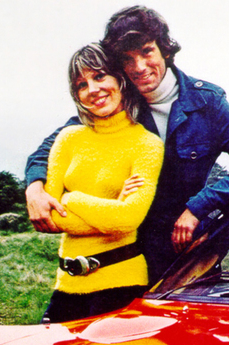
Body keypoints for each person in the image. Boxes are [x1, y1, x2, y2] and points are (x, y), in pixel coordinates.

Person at [25, 5, 229, 284]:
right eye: (127, 59)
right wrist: (34, 188)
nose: (139, 67)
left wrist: (198, 208)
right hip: (124, 250)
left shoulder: (207, 102)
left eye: (146, 52)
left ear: (164, 49)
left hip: (184, 251)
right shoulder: (117, 98)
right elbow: (52, 145)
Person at [40, 43, 164, 323]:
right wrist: (112, 208)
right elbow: (51, 216)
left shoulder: (147, 144)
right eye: (81, 84)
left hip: (122, 283)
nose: (92, 89)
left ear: (120, 80)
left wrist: (71, 198)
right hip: (66, 284)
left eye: (99, 76)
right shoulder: (68, 138)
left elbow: (128, 219)